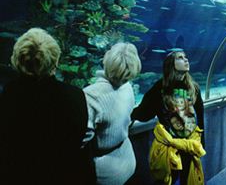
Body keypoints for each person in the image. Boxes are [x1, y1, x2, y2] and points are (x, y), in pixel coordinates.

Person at [0, 28, 95, 185]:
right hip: (62, 175)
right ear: (55, 61)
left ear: (17, 60)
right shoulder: (75, 95)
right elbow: (77, 141)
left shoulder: (9, 93)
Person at [131, 50, 205, 185]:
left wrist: (201, 142)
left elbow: (200, 116)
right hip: (169, 147)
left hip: (189, 145)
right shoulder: (160, 88)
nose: (186, 60)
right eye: (180, 58)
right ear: (171, 64)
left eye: (186, 57)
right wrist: (130, 114)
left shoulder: (194, 87)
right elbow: (145, 113)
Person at [84, 42, 141, 185]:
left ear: (107, 59)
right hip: (127, 159)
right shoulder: (128, 87)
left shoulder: (91, 95)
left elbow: (83, 137)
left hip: (105, 172)